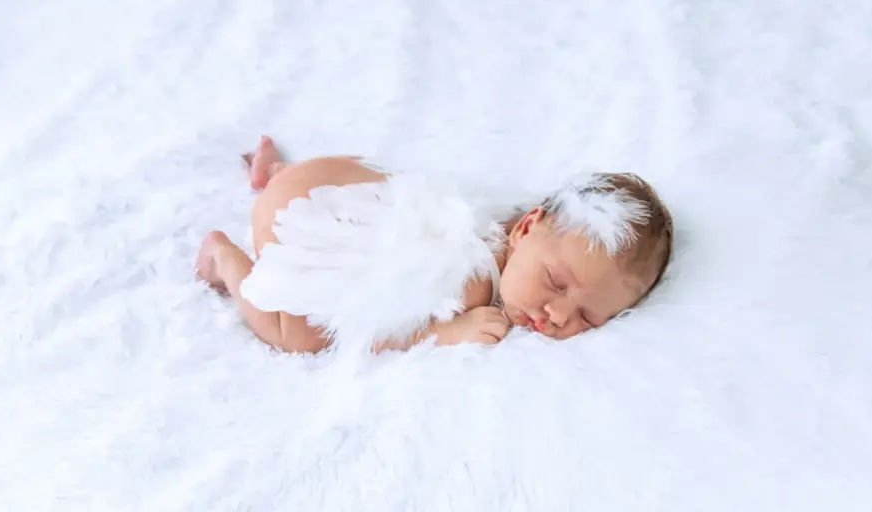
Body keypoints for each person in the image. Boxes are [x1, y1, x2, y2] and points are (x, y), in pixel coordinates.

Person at [195, 136, 673, 354]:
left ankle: (275, 174)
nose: (558, 314)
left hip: (328, 177)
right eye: (556, 282)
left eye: (588, 317)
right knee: (299, 333)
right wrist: (443, 333)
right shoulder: (472, 282)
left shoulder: (510, 223)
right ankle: (223, 256)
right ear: (527, 227)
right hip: (301, 219)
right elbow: (374, 324)